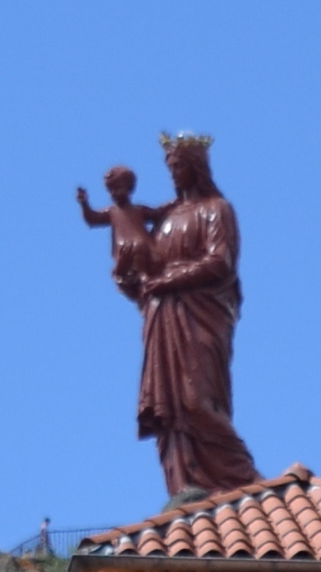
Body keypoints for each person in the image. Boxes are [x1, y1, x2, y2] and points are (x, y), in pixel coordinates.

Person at [76, 136, 257, 498]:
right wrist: (129, 275)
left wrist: (167, 279)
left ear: (196, 167)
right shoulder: (165, 218)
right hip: (161, 319)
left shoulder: (216, 209)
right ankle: (185, 486)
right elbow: (145, 273)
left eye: (179, 167)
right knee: (169, 407)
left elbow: (220, 262)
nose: (174, 175)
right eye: (170, 168)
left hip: (200, 315)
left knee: (196, 398)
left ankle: (242, 481)